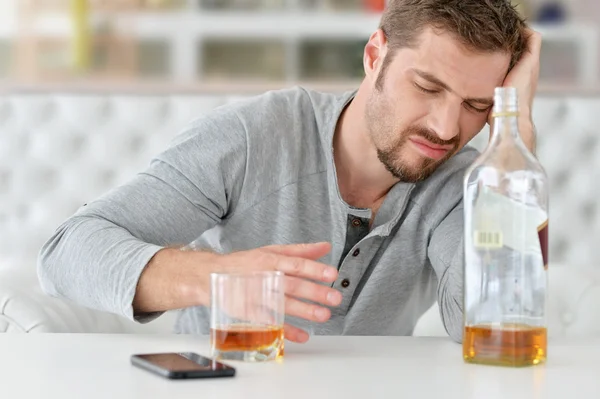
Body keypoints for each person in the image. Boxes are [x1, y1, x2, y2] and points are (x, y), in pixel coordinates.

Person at [37, 0, 541, 344]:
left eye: (478, 105)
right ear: (374, 56)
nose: (446, 128)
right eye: (428, 88)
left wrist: (515, 138)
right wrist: (216, 277)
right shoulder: (258, 135)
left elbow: (495, 323)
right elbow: (68, 251)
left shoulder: (469, 181)